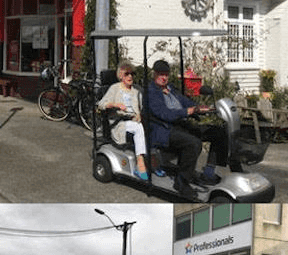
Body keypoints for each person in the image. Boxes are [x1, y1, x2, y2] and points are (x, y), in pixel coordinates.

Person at [147, 59, 228, 200]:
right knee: (193, 143)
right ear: (154, 74)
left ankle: (209, 172)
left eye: (166, 74)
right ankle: (181, 183)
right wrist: (187, 112)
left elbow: (186, 102)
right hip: (164, 129)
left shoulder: (171, 88)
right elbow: (164, 114)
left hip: (181, 125)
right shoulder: (151, 92)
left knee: (218, 132)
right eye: (161, 74)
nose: (164, 77)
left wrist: (199, 108)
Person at [98, 60, 149, 179]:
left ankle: (154, 162)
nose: (130, 76)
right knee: (138, 127)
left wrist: (140, 115)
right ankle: (140, 162)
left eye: (132, 74)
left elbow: (144, 105)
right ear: (120, 75)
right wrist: (115, 104)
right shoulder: (114, 88)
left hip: (134, 119)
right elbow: (101, 104)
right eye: (127, 74)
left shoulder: (137, 89)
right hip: (119, 122)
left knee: (151, 125)